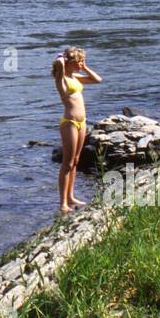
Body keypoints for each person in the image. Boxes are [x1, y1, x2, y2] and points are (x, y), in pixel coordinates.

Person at [53, 47, 103, 214]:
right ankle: (63, 204)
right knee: (67, 163)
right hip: (70, 123)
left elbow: (97, 80)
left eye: (83, 61)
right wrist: (62, 59)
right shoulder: (62, 79)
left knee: (75, 161)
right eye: (79, 61)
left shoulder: (75, 77)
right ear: (69, 63)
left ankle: (71, 197)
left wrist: (85, 65)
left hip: (82, 122)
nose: (81, 64)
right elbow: (59, 65)